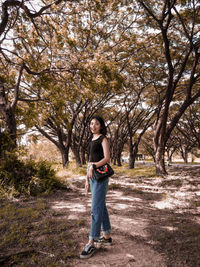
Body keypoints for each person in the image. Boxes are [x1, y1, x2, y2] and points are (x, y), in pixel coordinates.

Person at [80, 116, 112, 259]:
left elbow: (107, 158)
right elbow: (89, 161)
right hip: (92, 176)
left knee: (95, 208)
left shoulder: (102, 139)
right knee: (100, 206)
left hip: (101, 177)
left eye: (96, 124)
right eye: (91, 123)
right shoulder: (91, 140)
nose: (93, 126)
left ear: (101, 126)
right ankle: (106, 236)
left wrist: (93, 166)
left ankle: (91, 241)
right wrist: (87, 179)